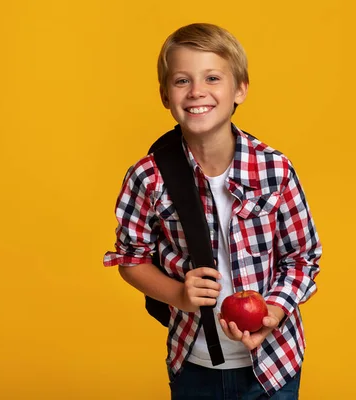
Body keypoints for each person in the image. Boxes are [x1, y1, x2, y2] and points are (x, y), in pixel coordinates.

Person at [103, 22, 322, 399]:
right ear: (164, 95)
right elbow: (130, 259)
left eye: (213, 78)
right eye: (182, 81)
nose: (197, 92)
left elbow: (303, 258)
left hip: (274, 363)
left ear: (240, 89)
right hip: (194, 362)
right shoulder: (148, 177)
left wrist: (274, 312)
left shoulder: (275, 169)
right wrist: (179, 295)